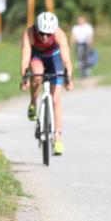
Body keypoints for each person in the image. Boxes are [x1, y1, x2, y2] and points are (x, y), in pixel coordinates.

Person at [20, 11, 73, 155]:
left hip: (53, 59)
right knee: (36, 74)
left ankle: (57, 137)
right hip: (36, 57)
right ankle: (33, 102)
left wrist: (68, 78)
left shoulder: (59, 34)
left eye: (48, 34)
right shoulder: (29, 33)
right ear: (37, 29)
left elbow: (66, 59)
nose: (44, 37)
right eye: (42, 33)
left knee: (56, 99)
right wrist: (24, 77)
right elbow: (25, 57)